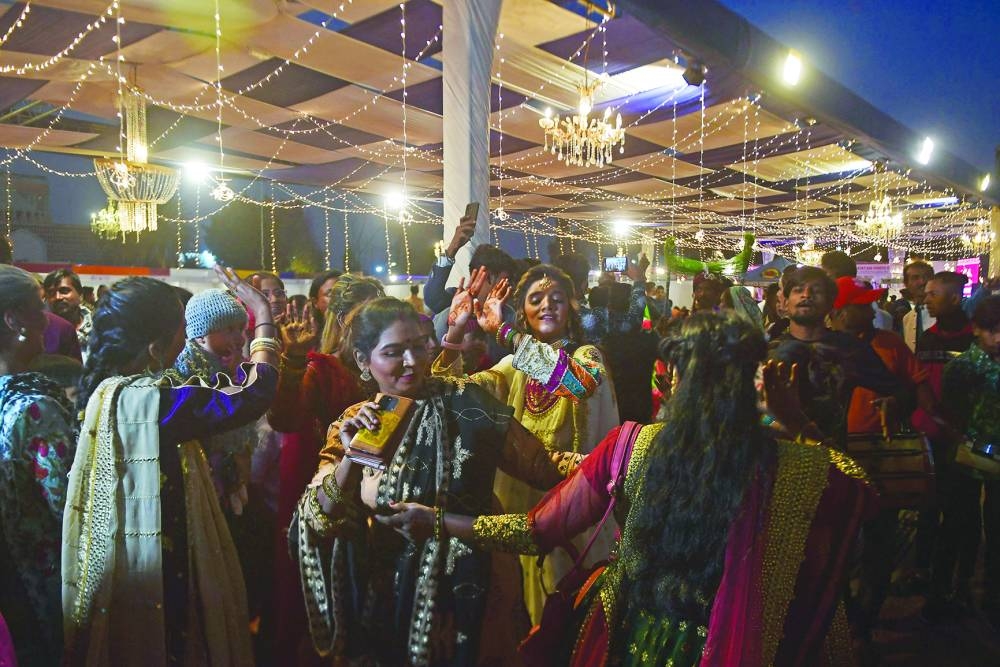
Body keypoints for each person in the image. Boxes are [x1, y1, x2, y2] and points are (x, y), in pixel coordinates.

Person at [380, 311, 877, 666]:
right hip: (742, 638)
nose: (545, 305)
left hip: (630, 634)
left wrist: (436, 520)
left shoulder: (628, 442)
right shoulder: (797, 466)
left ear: (672, 378)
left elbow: (535, 530)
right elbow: (862, 495)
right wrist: (799, 424)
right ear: (755, 382)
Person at [293, 298, 582, 665]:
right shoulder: (352, 423)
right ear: (364, 361)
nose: (413, 362)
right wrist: (352, 457)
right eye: (395, 352)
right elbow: (317, 516)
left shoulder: (465, 399)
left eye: (418, 346)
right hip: (388, 594)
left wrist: (612, 461)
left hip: (475, 584)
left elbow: (540, 465)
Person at [63, 267, 280, 666]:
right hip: (159, 565)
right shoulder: (152, 401)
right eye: (180, 332)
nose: (185, 342)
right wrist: (263, 318)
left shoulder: (106, 389)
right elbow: (252, 394)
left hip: (127, 560)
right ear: (154, 347)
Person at [435, 264, 619, 624]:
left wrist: (506, 333)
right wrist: (455, 332)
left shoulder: (588, 358)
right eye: (536, 299)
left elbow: (579, 384)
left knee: (566, 612)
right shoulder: (510, 367)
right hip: (518, 506)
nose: (547, 305)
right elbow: (454, 395)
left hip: (572, 504)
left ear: (572, 308)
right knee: (520, 609)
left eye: (557, 298)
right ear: (524, 311)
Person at [266, 274, 381, 664]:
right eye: (365, 318)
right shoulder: (324, 367)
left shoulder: (390, 362)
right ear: (342, 319)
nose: (374, 328)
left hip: (380, 501)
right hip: (327, 493)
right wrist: (294, 359)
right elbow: (285, 417)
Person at [0, 265, 77, 666]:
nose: (47, 320)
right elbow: (70, 507)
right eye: (39, 310)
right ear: (15, 320)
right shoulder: (35, 410)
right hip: (41, 586)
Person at [767, 266, 900, 448]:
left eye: (816, 291)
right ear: (784, 303)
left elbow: (900, 391)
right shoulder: (767, 352)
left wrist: (893, 402)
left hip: (832, 460)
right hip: (776, 461)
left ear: (831, 304)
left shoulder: (849, 349)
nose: (806, 295)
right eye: (798, 290)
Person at [913, 272, 978, 620]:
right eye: (926, 294)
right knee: (930, 505)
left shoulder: (975, 338)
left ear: (955, 298)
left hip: (967, 436)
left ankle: (960, 579)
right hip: (934, 435)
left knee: (962, 511)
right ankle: (928, 574)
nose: (927, 299)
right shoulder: (927, 338)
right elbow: (920, 380)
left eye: (934, 294)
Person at [940, 295, 1000, 628]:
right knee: (961, 528)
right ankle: (953, 591)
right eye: (992, 330)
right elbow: (950, 414)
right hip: (966, 460)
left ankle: (992, 594)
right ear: (977, 329)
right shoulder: (963, 367)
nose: (998, 338)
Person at [43, 268, 92, 357]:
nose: (58, 297)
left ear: (80, 295)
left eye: (64, 291)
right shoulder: (41, 332)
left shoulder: (98, 328)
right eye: (51, 293)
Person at [900, 261, 935, 351]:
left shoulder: (943, 312)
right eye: (915, 278)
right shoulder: (907, 319)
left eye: (927, 277)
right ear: (906, 284)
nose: (922, 281)